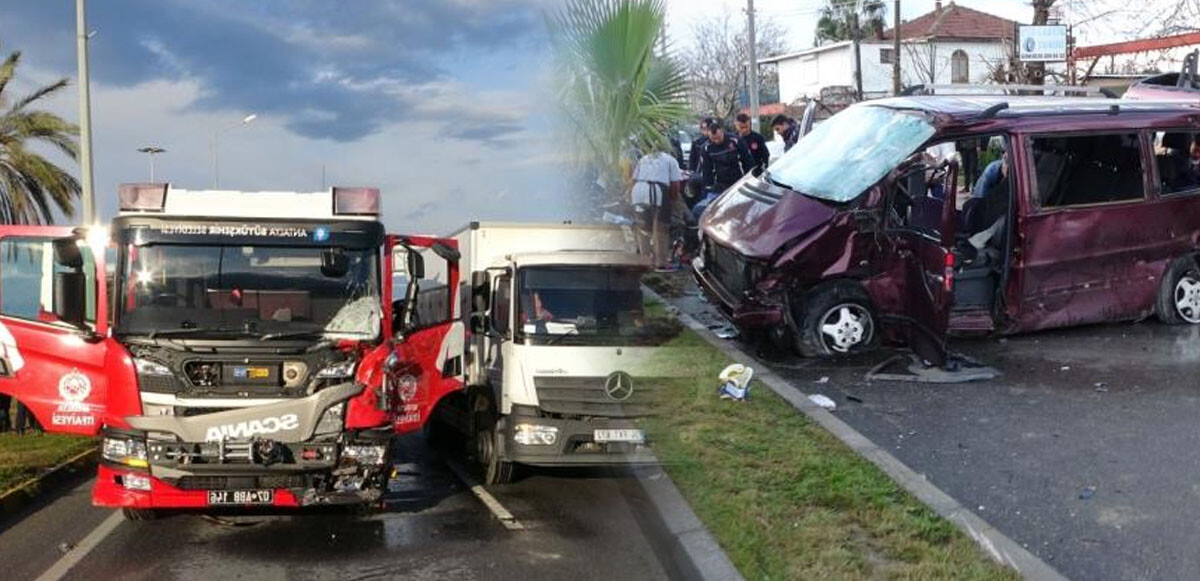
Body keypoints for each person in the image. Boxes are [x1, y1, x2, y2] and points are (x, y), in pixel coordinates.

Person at [630, 144, 684, 270]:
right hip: (657, 192)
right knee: (660, 229)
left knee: (643, 227)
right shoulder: (670, 160)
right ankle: (660, 263)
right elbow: (675, 185)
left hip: (638, 191)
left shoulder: (644, 159)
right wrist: (672, 200)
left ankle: (645, 261)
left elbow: (633, 180)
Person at [694, 121, 755, 220]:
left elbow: (747, 161)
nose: (717, 141)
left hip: (738, 182)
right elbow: (706, 170)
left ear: (722, 132)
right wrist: (708, 188)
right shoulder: (706, 148)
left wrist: (750, 179)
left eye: (718, 137)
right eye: (713, 139)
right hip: (719, 185)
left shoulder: (735, 141)